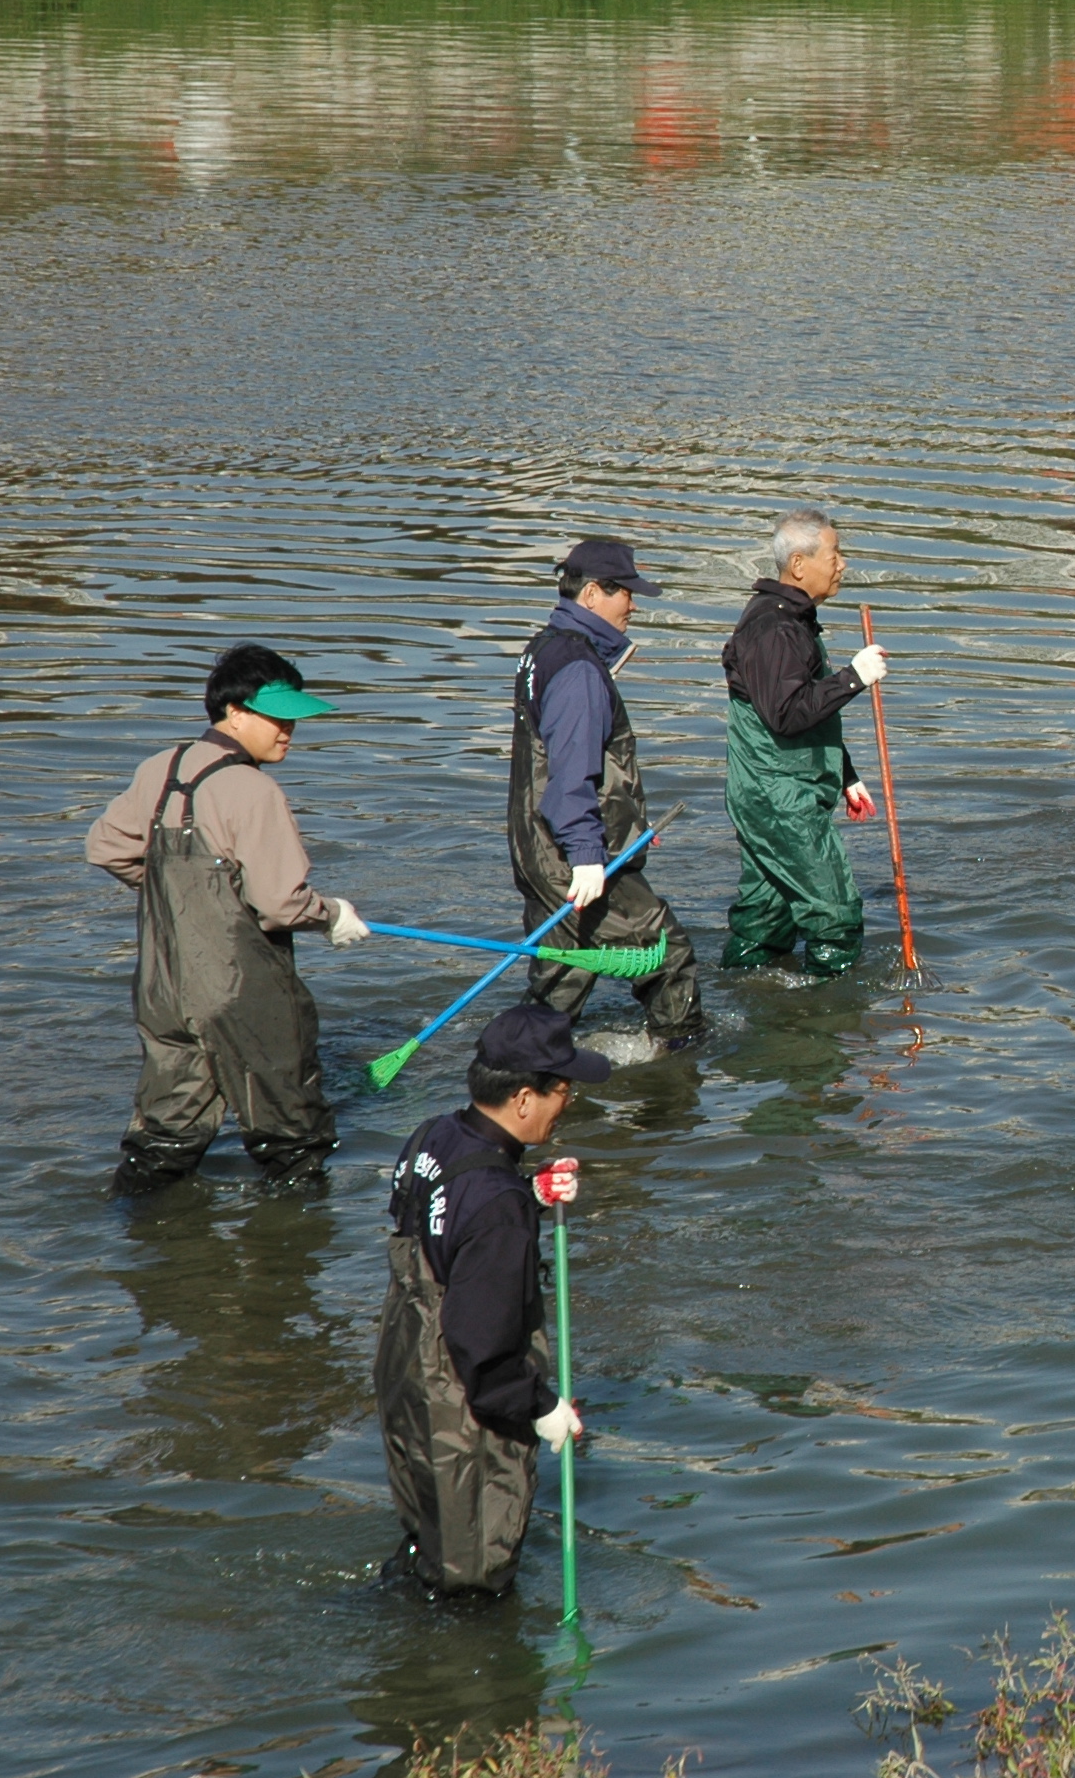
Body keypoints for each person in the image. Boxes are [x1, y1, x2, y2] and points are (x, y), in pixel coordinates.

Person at [86, 644, 370, 1193]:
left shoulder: (160, 768)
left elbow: (105, 848)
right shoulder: (253, 789)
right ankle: (290, 1259)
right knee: (293, 1142)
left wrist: (181, 893)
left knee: (163, 1141)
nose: (289, 729)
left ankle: (147, 1250)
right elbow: (281, 903)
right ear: (233, 713)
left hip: (163, 987)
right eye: (277, 717)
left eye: (293, 718)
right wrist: (332, 915)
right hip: (242, 990)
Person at [375, 1002, 603, 1595]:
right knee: (472, 1583)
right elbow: (483, 1345)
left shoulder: (434, 1134)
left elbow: (443, 1227)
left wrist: (528, 1190)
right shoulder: (498, 1207)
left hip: (406, 1379)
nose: (568, 1104)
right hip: (461, 1413)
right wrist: (542, 1407)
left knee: (428, 1547)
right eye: (563, 1090)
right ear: (525, 1098)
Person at [510, 536, 703, 1044]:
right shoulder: (577, 669)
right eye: (626, 593)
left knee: (562, 976)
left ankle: (517, 1076)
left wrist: (628, 824)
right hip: (573, 857)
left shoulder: (542, 649)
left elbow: (556, 765)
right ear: (593, 593)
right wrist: (588, 853)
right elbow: (571, 774)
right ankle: (675, 1080)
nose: (634, 605)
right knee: (666, 953)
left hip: (537, 847)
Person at [722, 509, 889, 976]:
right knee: (835, 917)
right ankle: (821, 1028)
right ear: (799, 564)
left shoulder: (790, 618)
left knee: (766, 920)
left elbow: (801, 706)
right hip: (780, 800)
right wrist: (853, 678)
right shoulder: (773, 628)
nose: (842, 565)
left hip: (773, 794)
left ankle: (745, 998)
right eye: (835, 555)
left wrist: (846, 774)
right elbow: (787, 713)